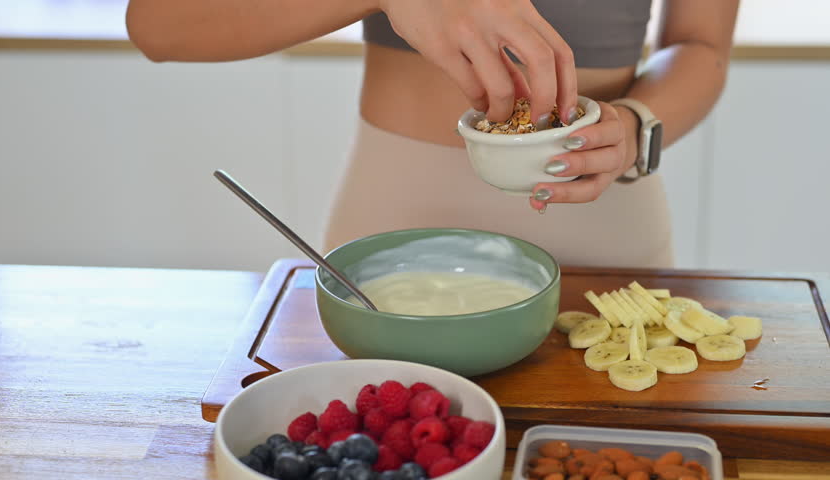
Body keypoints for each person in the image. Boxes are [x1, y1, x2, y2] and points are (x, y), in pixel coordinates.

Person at [126, 0, 739, 268]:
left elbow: (701, 44)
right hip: (394, 226)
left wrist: (635, 126)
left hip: (603, 228)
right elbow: (161, 23)